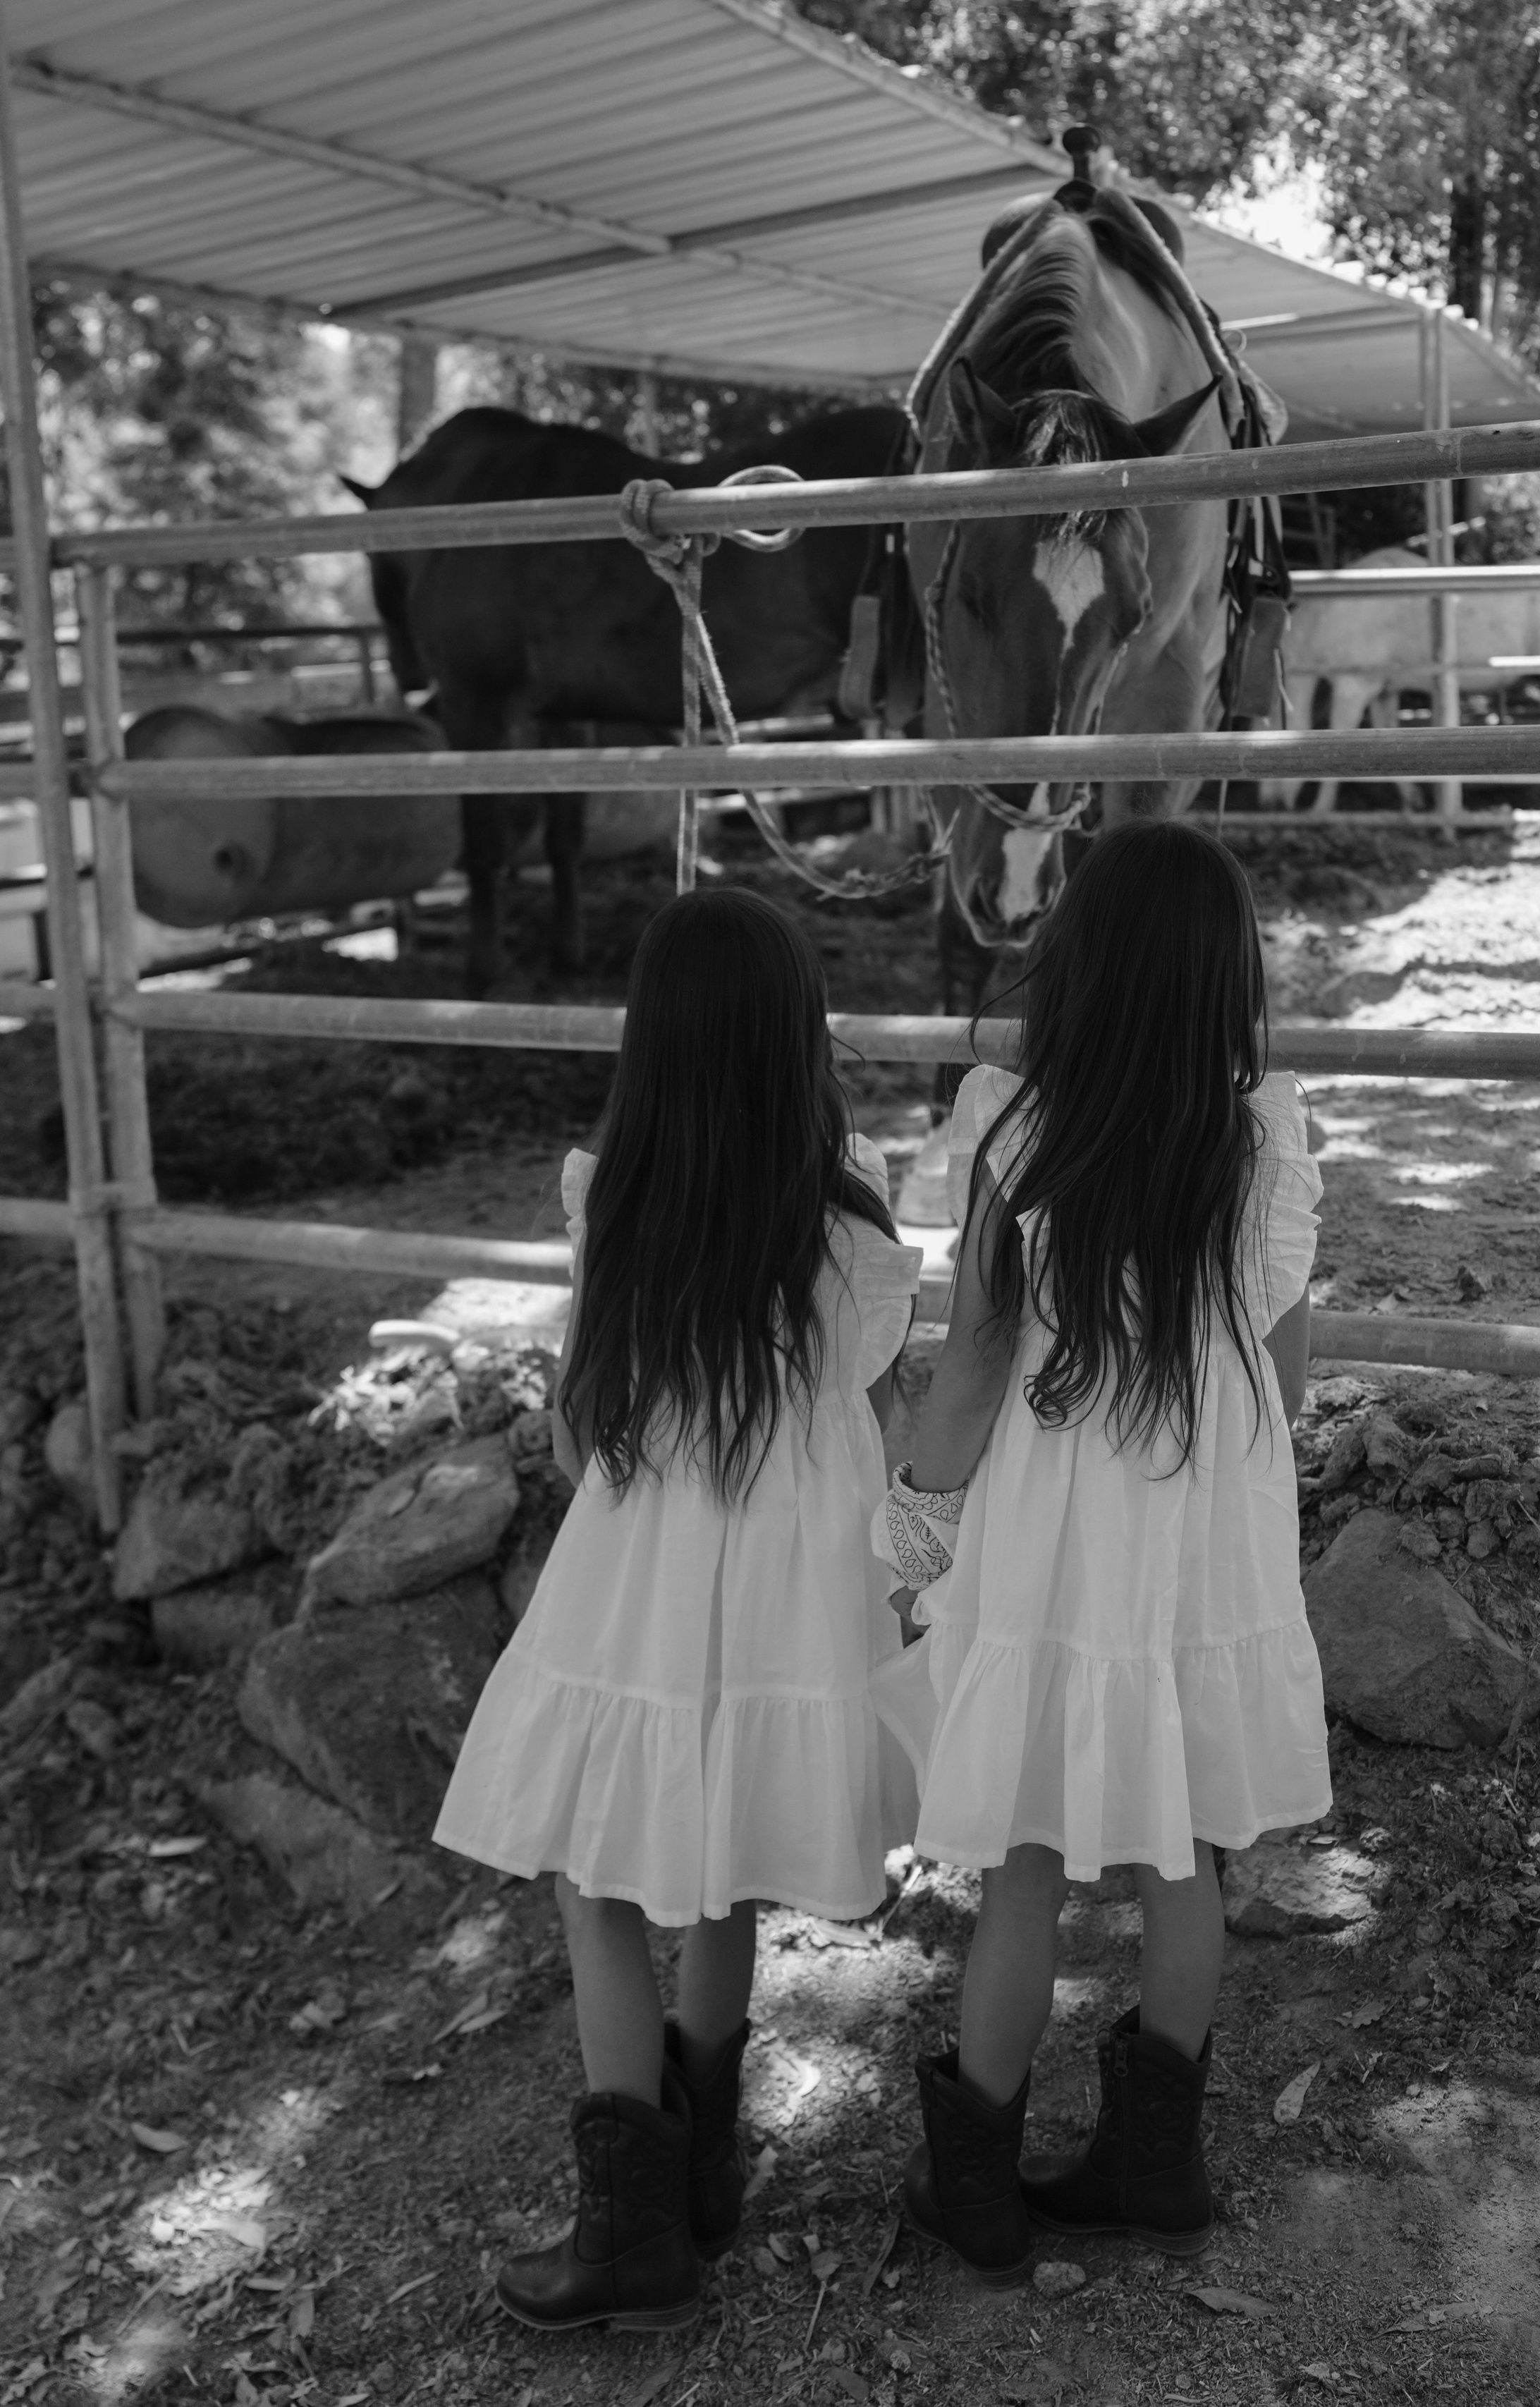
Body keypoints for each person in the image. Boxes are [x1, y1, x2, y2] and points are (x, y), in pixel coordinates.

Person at [435, 888, 921, 2333]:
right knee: (721, 1875)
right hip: (792, 1597)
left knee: (596, 1880)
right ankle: (704, 2171)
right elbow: (882, 1427)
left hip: (636, 1581)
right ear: (799, 1042)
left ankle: (629, 2230)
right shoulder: (851, 1220)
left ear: (650, 1044)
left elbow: (583, 1433)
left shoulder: (618, 1199)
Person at [872, 819, 1329, 2288]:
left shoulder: (1015, 1128)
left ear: (1078, 968)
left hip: (1056, 1528)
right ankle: (1153, 2165)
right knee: (1181, 1846)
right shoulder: (1266, 1137)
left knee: (1022, 1860)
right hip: (1199, 1519)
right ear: (1221, 984)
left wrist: (911, 1524)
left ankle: (979, 2188)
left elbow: (973, 1360)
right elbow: (1284, 1366)